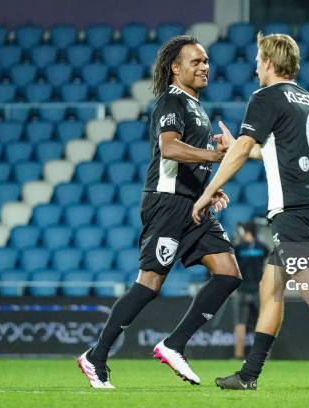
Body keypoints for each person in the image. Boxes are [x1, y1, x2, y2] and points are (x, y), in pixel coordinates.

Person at [192, 33, 309, 392]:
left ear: (270, 63)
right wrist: (240, 147)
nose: (255, 66)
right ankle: (248, 374)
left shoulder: (266, 95)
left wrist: (207, 192)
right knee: (270, 286)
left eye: (258, 59)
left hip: (293, 208)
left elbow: (244, 149)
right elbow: (276, 152)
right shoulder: (305, 97)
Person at [77, 35, 242, 389]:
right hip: (166, 203)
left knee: (229, 274)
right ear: (176, 68)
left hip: (193, 204)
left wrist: (210, 190)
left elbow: (189, 160)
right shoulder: (171, 100)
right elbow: (169, 148)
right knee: (149, 285)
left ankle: (174, 344)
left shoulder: (197, 107)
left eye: (206, 61)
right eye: (196, 62)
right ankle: (96, 356)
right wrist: (217, 157)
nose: (204, 67)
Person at [232, 222, 268, 359]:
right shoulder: (263, 248)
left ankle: (238, 355)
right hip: (258, 290)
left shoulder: (238, 248)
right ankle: (263, 355)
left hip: (242, 290)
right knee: (262, 322)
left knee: (240, 323)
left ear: (245, 231)